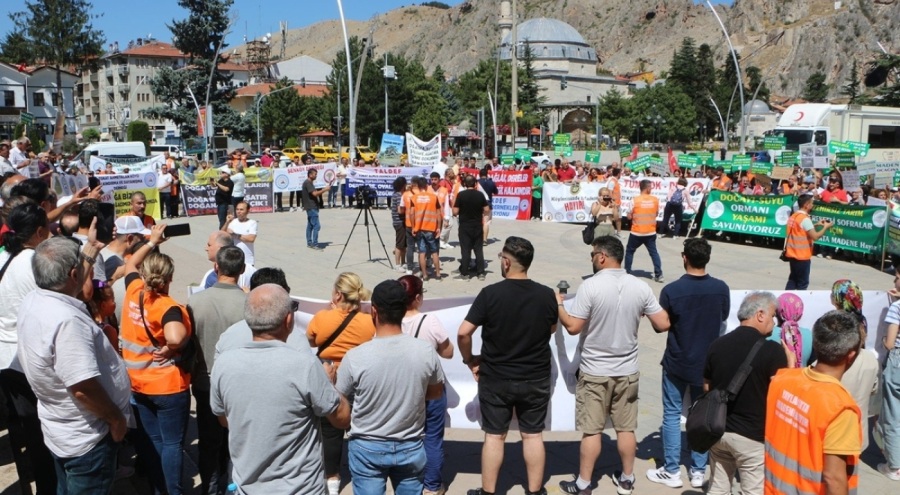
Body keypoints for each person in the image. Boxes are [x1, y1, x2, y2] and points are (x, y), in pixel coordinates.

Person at [556, 235, 670, 495]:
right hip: (627, 371)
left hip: (595, 371)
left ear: (602, 256)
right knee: (626, 428)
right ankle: (627, 479)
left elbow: (573, 327)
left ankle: (584, 484)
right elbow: (663, 323)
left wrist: (559, 305)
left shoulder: (590, 286)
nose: (592, 258)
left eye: (592, 254)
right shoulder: (640, 287)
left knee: (592, 431)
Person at [17, 236, 132, 492]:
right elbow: (82, 388)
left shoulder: (35, 299)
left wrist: (87, 256)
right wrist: (116, 420)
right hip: (89, 439)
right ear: (73, 274)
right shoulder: (66, 321)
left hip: (66, 430)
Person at [211, 284, 351, 493]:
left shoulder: (223, 364)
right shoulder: (305, 365)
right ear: (288, 320)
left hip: (248, 488)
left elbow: (224, 419)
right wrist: (329, 383)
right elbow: (342, 418)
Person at [458, 236, 559, 495]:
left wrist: (470, 360)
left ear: (506, 262)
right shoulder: (547, 295)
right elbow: (551, 328)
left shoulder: (490, 294)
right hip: (535, 377)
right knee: (533, 435)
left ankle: (488, 491)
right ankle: (535, 491)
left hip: (496, 378)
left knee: (495, 436)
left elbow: (463, 333)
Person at [336, 279, 445, 495]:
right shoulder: (425, 351)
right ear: (404, 311)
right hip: (410, 445)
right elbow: (435, 393)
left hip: (366, 446)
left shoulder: (355, 356)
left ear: (374, 311)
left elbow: (339, 398)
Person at [646, 238, 730, 489]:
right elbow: (723, 317)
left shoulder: (672, 291)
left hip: (678, 361)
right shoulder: (721, 288)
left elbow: (662, 325)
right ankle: (698, 470)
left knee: (672, 414)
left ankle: (672, 470)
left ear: (684, 258)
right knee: (702, 416)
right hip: (708, 365)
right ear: (707, 259)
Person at [119, 224, 193, 495]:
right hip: (167, 386)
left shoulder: (133, 290)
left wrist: (151, 242)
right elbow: (174, 336)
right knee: (172, 444)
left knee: (152, 440)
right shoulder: (167, 306)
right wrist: (173, 347)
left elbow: (130, 264)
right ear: (170, 278)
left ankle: (158, 488)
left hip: (137, 384)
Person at [764, 311, 862, 495]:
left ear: (816, 345)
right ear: (850, 356)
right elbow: (833, 478)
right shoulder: (841, 408)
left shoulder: (781, 380)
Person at [704, 291, 790, 495]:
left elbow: (707, 387)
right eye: (773, 316)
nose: (774, 322)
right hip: (752, 436)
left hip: (719, 431)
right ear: (760, 315)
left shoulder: (717, 344)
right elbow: (782, 394)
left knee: (717, 488)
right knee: (752, 490)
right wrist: (792, 365)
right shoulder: (773, 351)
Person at [0, 202, 58, 494]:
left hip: (6, 359)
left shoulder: (3, 257)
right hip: (30, 359)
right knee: (48, 429)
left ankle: (43, 484)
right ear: (39, 232)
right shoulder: (35, 262)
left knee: (31, 430)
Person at [307, 272, 376, 495]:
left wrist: (331, 313)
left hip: (328, 376)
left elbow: (311, 340)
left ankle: (332, 480)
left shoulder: (322, 317)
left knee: (330, 431)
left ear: (337, 295)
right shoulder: (368, 321)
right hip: (357, 377)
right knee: (360, 427)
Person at [188, 246, 249, 495]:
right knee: (237, 441)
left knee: (208, 442)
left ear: (216, 267)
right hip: (240, 386)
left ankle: (211, 489)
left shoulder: (195, 302)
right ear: (242, 270)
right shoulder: (249, 304)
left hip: (206, 383)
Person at [398, 274, 454, 495]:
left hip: (402, 388)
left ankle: (407, 483)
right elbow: (448, 352)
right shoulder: (429, 321)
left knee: (404, 436)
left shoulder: (390, 320)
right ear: (418, 298)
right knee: (432, 438)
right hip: (430, 387)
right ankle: (431, 486)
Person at [829, 279, 879, 451]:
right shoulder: (861, 319)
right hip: (859, 371)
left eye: (833, 293)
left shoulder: (836, 322)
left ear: (839, 298)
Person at [877, 270, 900, 481]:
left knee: (893, 413)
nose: (895, 281)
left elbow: (890, 343)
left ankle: (894, 466)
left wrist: (884, 339)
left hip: (897, 363)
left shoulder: (897, 307)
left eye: (898, 278)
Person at [784, 194, 832, 290]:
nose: (813, 205)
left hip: (792, 253)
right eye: (812, 203)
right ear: (806, 205)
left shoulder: (794, 216)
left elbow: (800, 230)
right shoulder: (805, 219)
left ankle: (786, 297)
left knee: (793, 279)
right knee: (802, 283)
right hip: (802, 256)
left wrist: (816, 224)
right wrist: (825, 227)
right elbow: (815, 237)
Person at [624, 179, 664, 283]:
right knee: (654, 253)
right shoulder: (655, 200)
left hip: (637, 232)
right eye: (650, 187)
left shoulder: (635, 200)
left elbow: (629, 216)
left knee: (629, 252)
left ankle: (627, 272)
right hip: (650, 231)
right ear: (647, 188)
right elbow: (656, 213)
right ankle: (659, 275)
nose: (651, 189)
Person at [453, 174, 489, 281]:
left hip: (465, 226)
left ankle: (465, 273)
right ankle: (481, 273)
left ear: (464, 184)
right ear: (475, 184)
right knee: (478, 249)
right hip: (477, 225)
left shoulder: (461, 195)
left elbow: (455, 212)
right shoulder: (480, 195)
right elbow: (487, 210)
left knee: (465, 250)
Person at [769, 292, 814, 367]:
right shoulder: (809, 334)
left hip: (777, 375)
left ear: (776, 312)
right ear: (800, 315)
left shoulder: (768, 333)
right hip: (800, 374)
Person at [412, 176, 443, 282]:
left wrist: (413, 227)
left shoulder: (414, 198)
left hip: (419, 228)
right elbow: (439, 214)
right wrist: (438, 227)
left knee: (422, 252)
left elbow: (412, 213)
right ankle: (438, 274)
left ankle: (425, 275)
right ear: (426, 186)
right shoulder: (433, 197)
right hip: (431, 228)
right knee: (434, 252)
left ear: (418, 186)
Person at [101, 215, 148, 282]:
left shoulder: (105, 253)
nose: (143, 242)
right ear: (130, 238)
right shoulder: (113, 263)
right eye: (142, 238)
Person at [301, 168, 332, 250]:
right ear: (310, 175)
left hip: (311, 207)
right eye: (315, 174)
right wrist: (325, 189)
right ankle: (315, 244)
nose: (316, 176)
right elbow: (315, 194)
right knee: (316, 226)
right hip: (311, 207)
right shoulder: (308, 183)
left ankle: (309, 243)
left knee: (310, 225)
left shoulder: (309, 183)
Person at [223, 201, 258, 266]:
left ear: (247, 211)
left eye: (241, 210)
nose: (238, 212)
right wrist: (227, 222)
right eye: (237, 209)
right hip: (233, 259)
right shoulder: (233, 222)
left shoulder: (252, 223)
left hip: (247, 259)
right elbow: (221, 234)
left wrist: (235, 235)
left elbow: (251, 239)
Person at [391, 177, 408, 271]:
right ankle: (397, 264)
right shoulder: (398, 195)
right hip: (399, 222)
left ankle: (403, 262)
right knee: (399, 244)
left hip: (402, 222)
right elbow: (400, 210)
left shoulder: (400, 194)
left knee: (404, 244)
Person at [478, 168, 497, 245]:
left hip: (478, 204)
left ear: (479, 174)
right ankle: (484, 240)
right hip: (488, 204)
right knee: (486, 223)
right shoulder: (491, 182)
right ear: (487, 174)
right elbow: (496, 192)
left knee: (477, 222)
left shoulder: (477, 182)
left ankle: (477, 239)